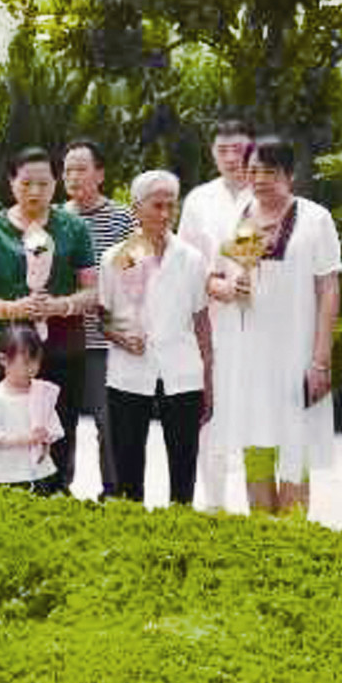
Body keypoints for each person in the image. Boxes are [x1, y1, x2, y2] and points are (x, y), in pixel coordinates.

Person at [203, 138, 342, 514]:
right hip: (246, 355)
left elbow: (329, 289)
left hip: (297, 354)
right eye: (253, 171)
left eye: (269, 171)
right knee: (256, 446)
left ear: (290, 174)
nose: (260, 180)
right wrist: (229, 288)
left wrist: (320, 359)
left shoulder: (315, 218)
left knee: (295, 448)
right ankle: (261, 539)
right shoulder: (238, 216)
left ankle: (291, 541)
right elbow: (211, 279)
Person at [0, 148, 98, 495]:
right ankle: (3, 496)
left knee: (59, 429)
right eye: (26, 182)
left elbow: (92, 292)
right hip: (5, 348)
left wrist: (61, 305)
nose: (35, 191)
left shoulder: (74, 228)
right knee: (6, 429)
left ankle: (57, 493)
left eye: (44, 183)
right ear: (11, 182)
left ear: (55, 184)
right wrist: (13, 308)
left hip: (62, 348)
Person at [99, 170, 212, 506]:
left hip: (182, 373)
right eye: (157, 206)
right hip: (128, 374)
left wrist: (209, 378)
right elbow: (103, 318)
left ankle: (180, 534)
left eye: (170, 206)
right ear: (136, 209)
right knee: (128, 469)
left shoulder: (191, 259)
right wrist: (121, 338)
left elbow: (202, 321)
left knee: (183, 470)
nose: (164, 214)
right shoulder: (116, 257)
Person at [181, 118, 255, 511]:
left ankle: (257, 503)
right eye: (223, 150)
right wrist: (217, 286)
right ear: (212, 153)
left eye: (239, 150)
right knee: (211, 406)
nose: (231, 158)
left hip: (260, 319)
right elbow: (189, 263)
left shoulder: (266, 195)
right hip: (213, 319)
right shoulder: (199, 199)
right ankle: (212, 503)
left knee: (254, 408)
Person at [63, 138, 138, 501]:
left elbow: (136, 273)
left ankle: (114, 494)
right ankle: (57, 490)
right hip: (64, 339)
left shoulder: (123, 218)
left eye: (81, 168)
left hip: (106, 342)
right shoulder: (57, 218)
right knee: (61, 421)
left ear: (100, 174)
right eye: (67, 170)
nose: (73, 177)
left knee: (110, 424)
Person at [0, 325, 64, 493]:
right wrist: (26, 439)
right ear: (3, 360)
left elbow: (49, 426)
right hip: (1, 472)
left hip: (33, 470)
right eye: (26, 362)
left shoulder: (41, 392)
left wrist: (45, 442)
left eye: (36, 362)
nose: (32, 368)